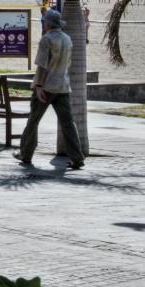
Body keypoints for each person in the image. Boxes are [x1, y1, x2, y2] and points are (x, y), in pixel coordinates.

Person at [14, 9, 85, 169]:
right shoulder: (67, 39)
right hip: (63, 86)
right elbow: (68, 63)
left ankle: (25, 154)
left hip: (46, 86)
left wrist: (38, 86)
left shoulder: (47, 39)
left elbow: (42, 65)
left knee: (33, 121)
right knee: (68, 123)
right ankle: (77, 158)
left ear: (47, 23)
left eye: (44, 21)